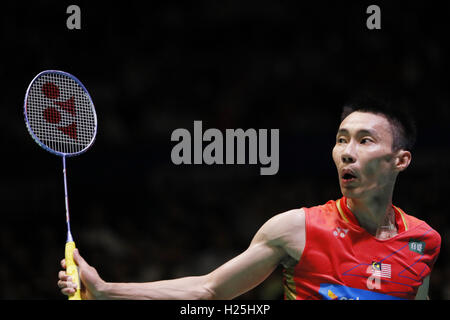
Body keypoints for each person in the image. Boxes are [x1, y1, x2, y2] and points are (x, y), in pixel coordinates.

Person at [57, 97, 441, 300]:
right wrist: (107, 290)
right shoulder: (296, 228)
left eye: (365, 140)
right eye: (341, 139)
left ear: (400, 160)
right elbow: (209, 289)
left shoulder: (424, 241)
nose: (346, 151)